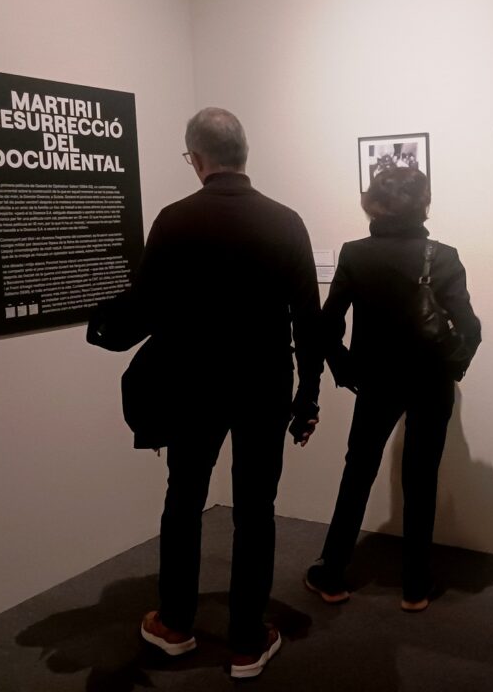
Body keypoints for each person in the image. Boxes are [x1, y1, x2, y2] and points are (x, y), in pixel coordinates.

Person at [103, 108, 322, 679]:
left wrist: (103, 325)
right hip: (264, 385)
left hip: (192, 385)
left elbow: (147, 304)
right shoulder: (287, 222)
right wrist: (308, 399)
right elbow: (308, 321)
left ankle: (175, 623)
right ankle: (247, 640)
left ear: (196, 159)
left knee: (183, 499)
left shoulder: (175, 219)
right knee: (256, 508)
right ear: (244, 153)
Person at [304, 167, 481, 612]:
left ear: (373, 204)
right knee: (421, 478)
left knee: (358, 471)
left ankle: (332, 574)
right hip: (431, 382)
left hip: (376, 380)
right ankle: (416, 587)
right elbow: (470, 328)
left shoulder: (356, 254)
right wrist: (451, 368)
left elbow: (328, 325)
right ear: (424, 203)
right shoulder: (443, 256)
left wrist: (345, 369)